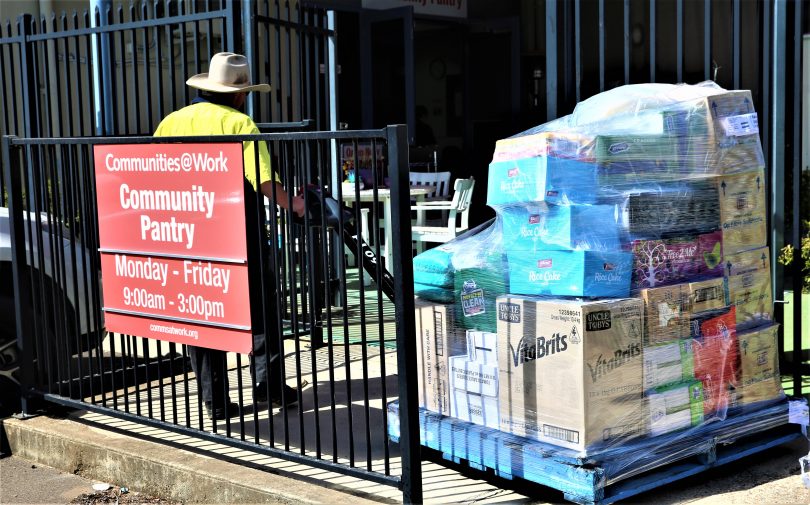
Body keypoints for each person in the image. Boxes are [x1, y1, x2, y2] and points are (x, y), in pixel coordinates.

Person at [154, 52, 305, 421]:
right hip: (237, 231)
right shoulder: (240, 124)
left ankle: (215, 401)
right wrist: (295, 204)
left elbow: (152, 173)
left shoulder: (171, 122)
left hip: (185, 232)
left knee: (201, 314)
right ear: (240, 94)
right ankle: (267, 383)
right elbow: (264, 180)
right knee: (261, 308)